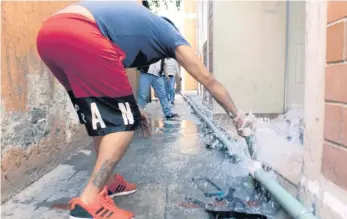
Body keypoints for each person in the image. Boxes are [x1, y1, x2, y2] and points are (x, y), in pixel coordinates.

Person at [36, 1, 248, 219]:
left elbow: (110, 79)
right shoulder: (170, 35)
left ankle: (107, 183)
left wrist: (133, 107)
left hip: (49, 37)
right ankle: (89, 201)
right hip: (82, 32)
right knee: (123, 125)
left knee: (100, 118)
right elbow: (208, 80)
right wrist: (238, 117)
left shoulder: (134, 27)